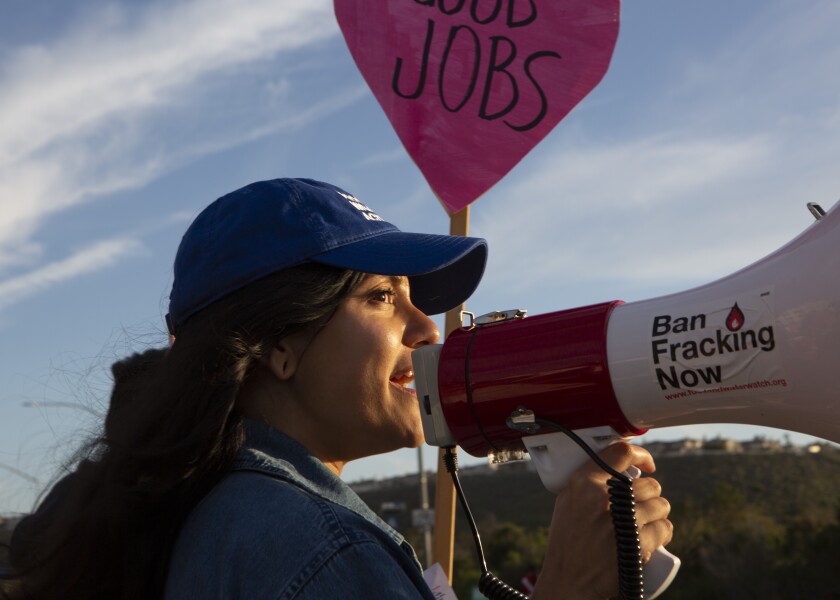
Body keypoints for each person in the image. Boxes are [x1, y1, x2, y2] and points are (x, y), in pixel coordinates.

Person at [7, 178, 673, 599]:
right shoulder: (314, 547)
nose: (427, 332)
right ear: (279, 346)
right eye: (383, 297)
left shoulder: (210, 513)